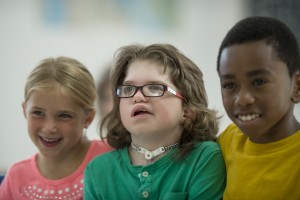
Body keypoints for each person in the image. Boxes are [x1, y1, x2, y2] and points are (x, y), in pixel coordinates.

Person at [84, 43, 226, 199]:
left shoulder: (204, 157)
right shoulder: (98, 169)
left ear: (188, 110)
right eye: (128, 89)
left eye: (155, 88)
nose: (137, 97)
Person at [0, 57, 113, 199]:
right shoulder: (16, 176)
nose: (49, 128)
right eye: (38, 113)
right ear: (24, 111)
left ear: (88, 118)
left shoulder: (112, 159)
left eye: (64, 116)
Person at [216, 16, 300, 200]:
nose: (243, 99)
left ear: (296, 86)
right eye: (229, 85)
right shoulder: (227, 141)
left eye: (259, 81)